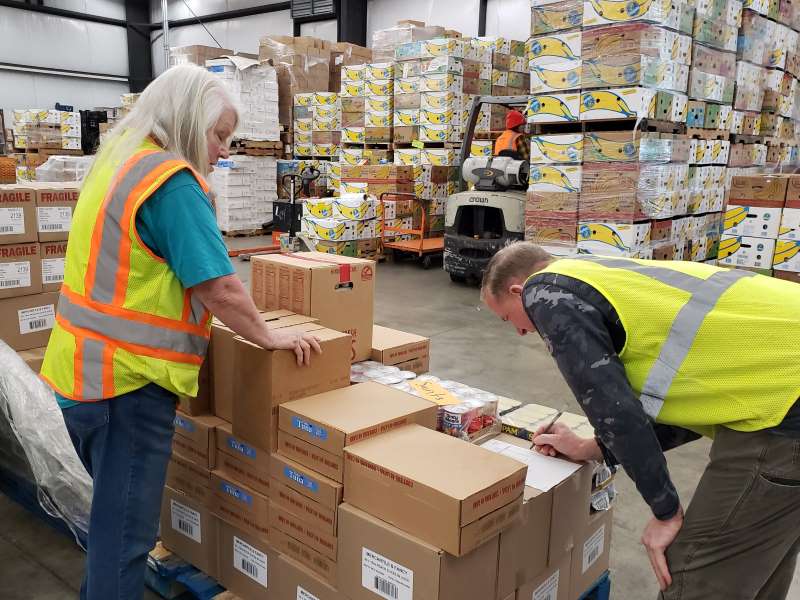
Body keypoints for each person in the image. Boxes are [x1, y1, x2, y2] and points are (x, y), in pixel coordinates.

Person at [39, 64, 321, 600]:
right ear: (190, 122)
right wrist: (269, 335)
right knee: (124, 540)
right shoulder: (168, 181)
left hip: (79, 375)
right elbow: (218, 286)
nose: (221, 152)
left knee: (109, 527)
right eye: (218, 136)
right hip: (127, 387)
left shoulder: (118, 162)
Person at [481, 241, 800, 600]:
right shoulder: (601, 275)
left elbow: (615, 412)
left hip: (784, 411)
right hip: (783, 387)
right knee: (757, 569)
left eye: (508, 318)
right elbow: (685, 407)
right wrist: (593, 448)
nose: (520, 332)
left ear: (518, 291)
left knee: (693, 579)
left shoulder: (545, 291)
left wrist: (666, 512)